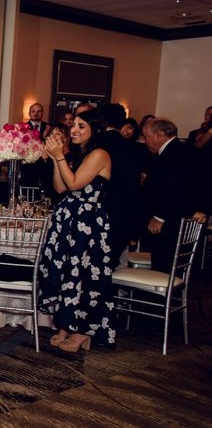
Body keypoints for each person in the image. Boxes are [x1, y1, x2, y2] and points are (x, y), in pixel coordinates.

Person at [39, 110, 116, 353]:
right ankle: (66, 325)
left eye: (81, 126)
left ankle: (83, 331)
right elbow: (61, 187)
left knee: (86, 277)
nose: (74, 130)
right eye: (73, 125)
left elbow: (74, 184)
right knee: (67, 275)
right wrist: (54, 158)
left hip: (89, 225)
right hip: (71, 222)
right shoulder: (82, 155)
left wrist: (60, 155)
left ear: (95, 131)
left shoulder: (99, 154)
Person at [142, 117, 203, 272]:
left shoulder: (171, 155)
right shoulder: (185, 150)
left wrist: (159, 216)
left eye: (146, 136)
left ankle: (158, 294)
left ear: (159, 135)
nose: (144, 140)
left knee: (162, 265)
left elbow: (172, 188)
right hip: (178, 217)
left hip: (169, 221)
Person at [99, 103, 143, 266]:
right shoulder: (135, 148)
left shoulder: (99, 145)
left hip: (102, 213)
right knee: (110, 262)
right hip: (125, 215)